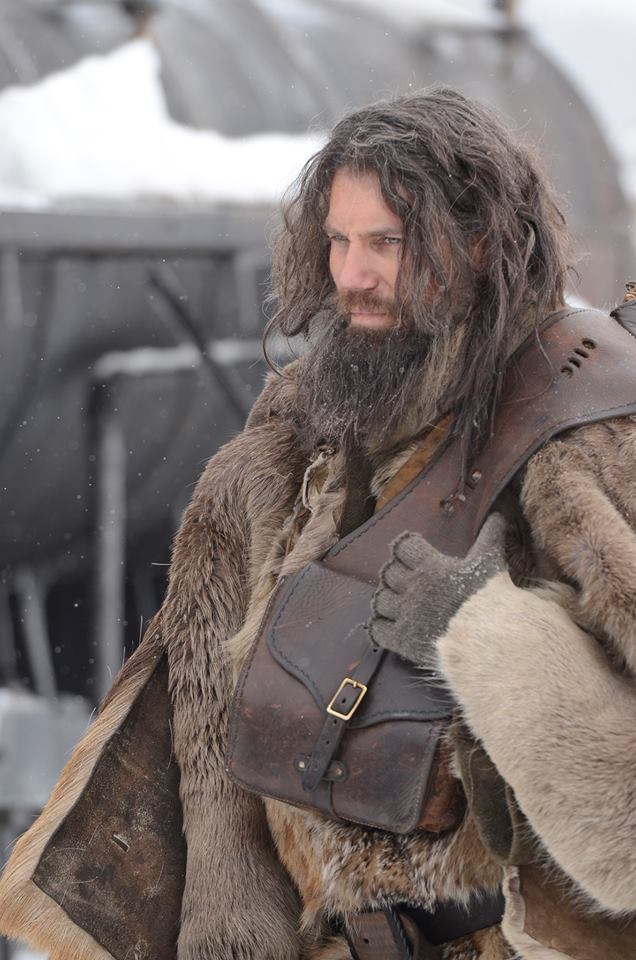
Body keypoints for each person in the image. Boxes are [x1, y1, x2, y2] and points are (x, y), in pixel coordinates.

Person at [2, 86, 636, 960]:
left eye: (387, 243)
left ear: (480, 241)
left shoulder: (582, 425)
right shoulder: (299, 435)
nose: (352, 277)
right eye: (339, 241)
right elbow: (211, 738)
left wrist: (485, 632)